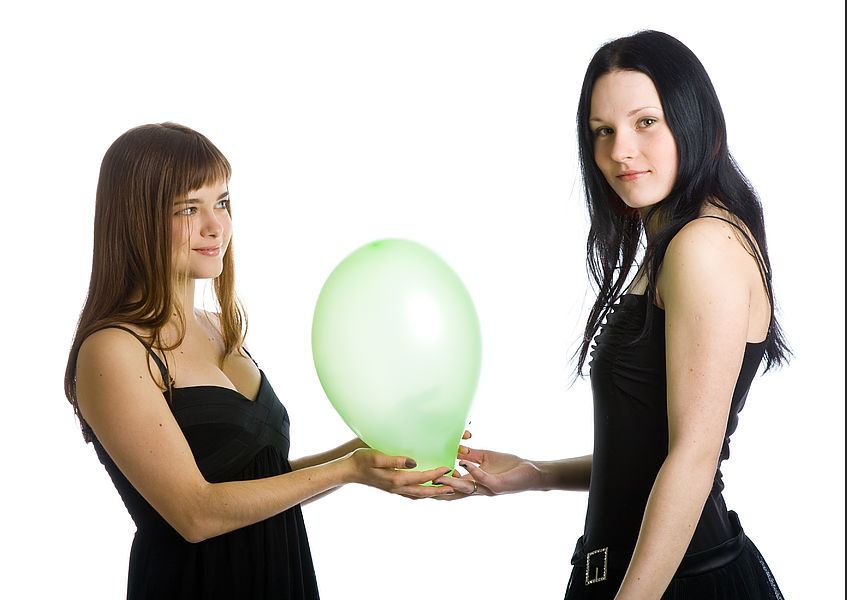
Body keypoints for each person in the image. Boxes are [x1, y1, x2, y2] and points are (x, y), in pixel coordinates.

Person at [432, 31, 789, 599]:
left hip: (677, 583)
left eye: (645, 122)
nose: (620, 149)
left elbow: (693, 458)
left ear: (693, 120)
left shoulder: (704, 247)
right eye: (603, 131)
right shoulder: (675, 241)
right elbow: (644, 449)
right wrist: (536, 474)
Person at [63, 122, 455, 600]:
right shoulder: (113, 349)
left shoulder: (218, 327)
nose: (216, 226)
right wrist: (348, 469)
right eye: (189, 208)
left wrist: (374, 448)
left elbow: (261, 482)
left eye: (222, 202)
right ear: (135, 219)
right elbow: (196, 513)